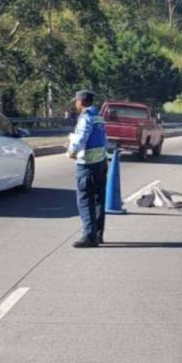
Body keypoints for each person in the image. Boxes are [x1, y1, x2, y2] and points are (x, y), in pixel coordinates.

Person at [68, 90, 108, 248]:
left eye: (76, 101)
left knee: (85, 199)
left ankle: (89, 236)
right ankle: (98, 234)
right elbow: (104, 139)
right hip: (100, 162)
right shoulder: (99, 116)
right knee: (99, 199)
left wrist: (72, 151)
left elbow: (81, 137)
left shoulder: (86, 118)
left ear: (81, 102)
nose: (75, 104)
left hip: (87, 164)